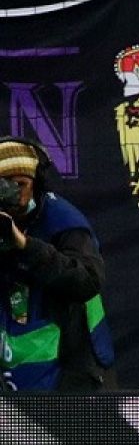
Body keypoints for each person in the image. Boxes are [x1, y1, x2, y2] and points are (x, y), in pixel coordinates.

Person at [0, 136, 114, 391]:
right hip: (16, 360)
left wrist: (25, 245)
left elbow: (87, 280)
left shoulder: (64, 221)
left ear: (37, 184)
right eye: (5, 187)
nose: (15, 195)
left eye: (21, 184)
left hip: (75, 361)